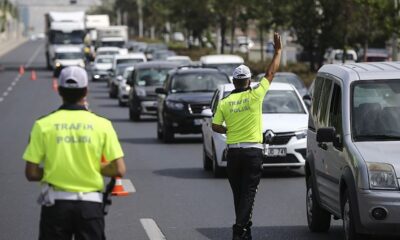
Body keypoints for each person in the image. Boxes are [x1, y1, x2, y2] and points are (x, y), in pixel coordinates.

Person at [23, 66, 126, 240]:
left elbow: (31, 173)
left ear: (60, 91)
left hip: (55, 206)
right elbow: (119, 169)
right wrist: (90, 167)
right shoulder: (102, 125)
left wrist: (56, 169)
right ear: (85, 91)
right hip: (90, 207)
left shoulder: (43, 125)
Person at [212, 32, 282, 240]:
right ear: (249, 81)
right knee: (249, 193)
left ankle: (245, 231)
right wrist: (278, 51)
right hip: (253, 152)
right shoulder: (255, 95)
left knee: (239, 194)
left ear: (234, 82)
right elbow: (270, 73)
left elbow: (215, 126)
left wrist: (228, 130)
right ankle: (238, 230)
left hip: (233, 153)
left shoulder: (224, 102)